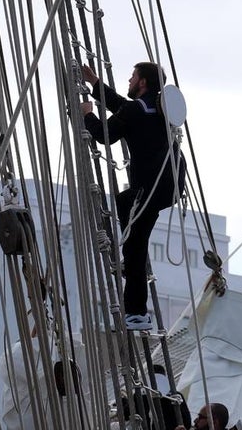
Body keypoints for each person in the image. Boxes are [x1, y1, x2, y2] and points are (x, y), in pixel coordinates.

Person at [78, 62, 184, 330]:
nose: (129, 79)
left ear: (143, 83)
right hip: (164, 190)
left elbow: (105, 134)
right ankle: (134, 290)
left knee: (135, 248)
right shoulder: (158, 109)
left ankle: (136, 314)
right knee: (126, 210)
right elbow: (123, 107)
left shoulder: (138, 110)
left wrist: (86, 115)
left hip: (146, 191)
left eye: (133, 76)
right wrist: (95, 83)